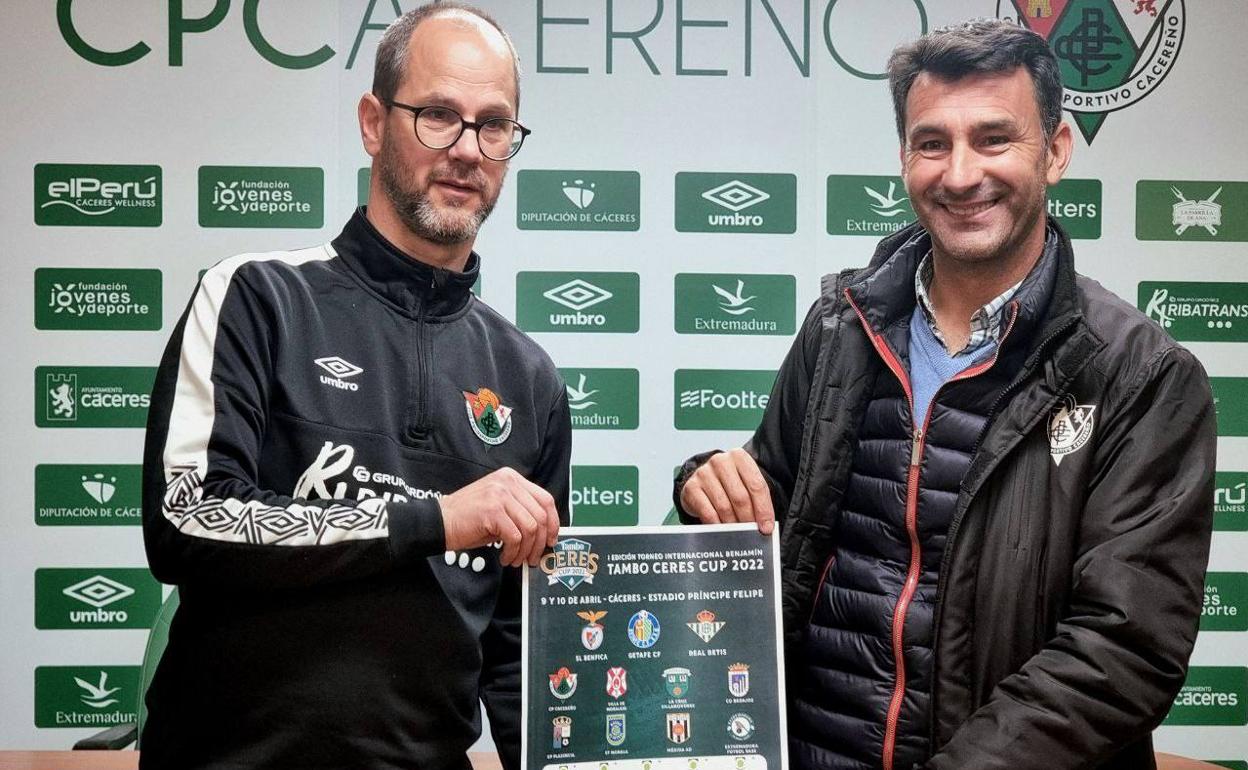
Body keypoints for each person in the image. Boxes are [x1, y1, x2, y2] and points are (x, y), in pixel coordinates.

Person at [673, 18, 1215, 770]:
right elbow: (769, 507)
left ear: (1056, 151)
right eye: (932, 143)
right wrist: (703, 483)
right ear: (904, 158)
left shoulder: (1141, 374)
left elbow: (1123, 648)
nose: (960, 174)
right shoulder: (840, 327)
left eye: (993, 139)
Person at [140, 4, 570, 768]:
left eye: (493, 125)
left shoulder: (529, 378)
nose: (466, 149)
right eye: (438, 116)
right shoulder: (255, 297)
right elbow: (188, 520)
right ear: (374, 123)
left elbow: (518, 650)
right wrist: (433, 520)